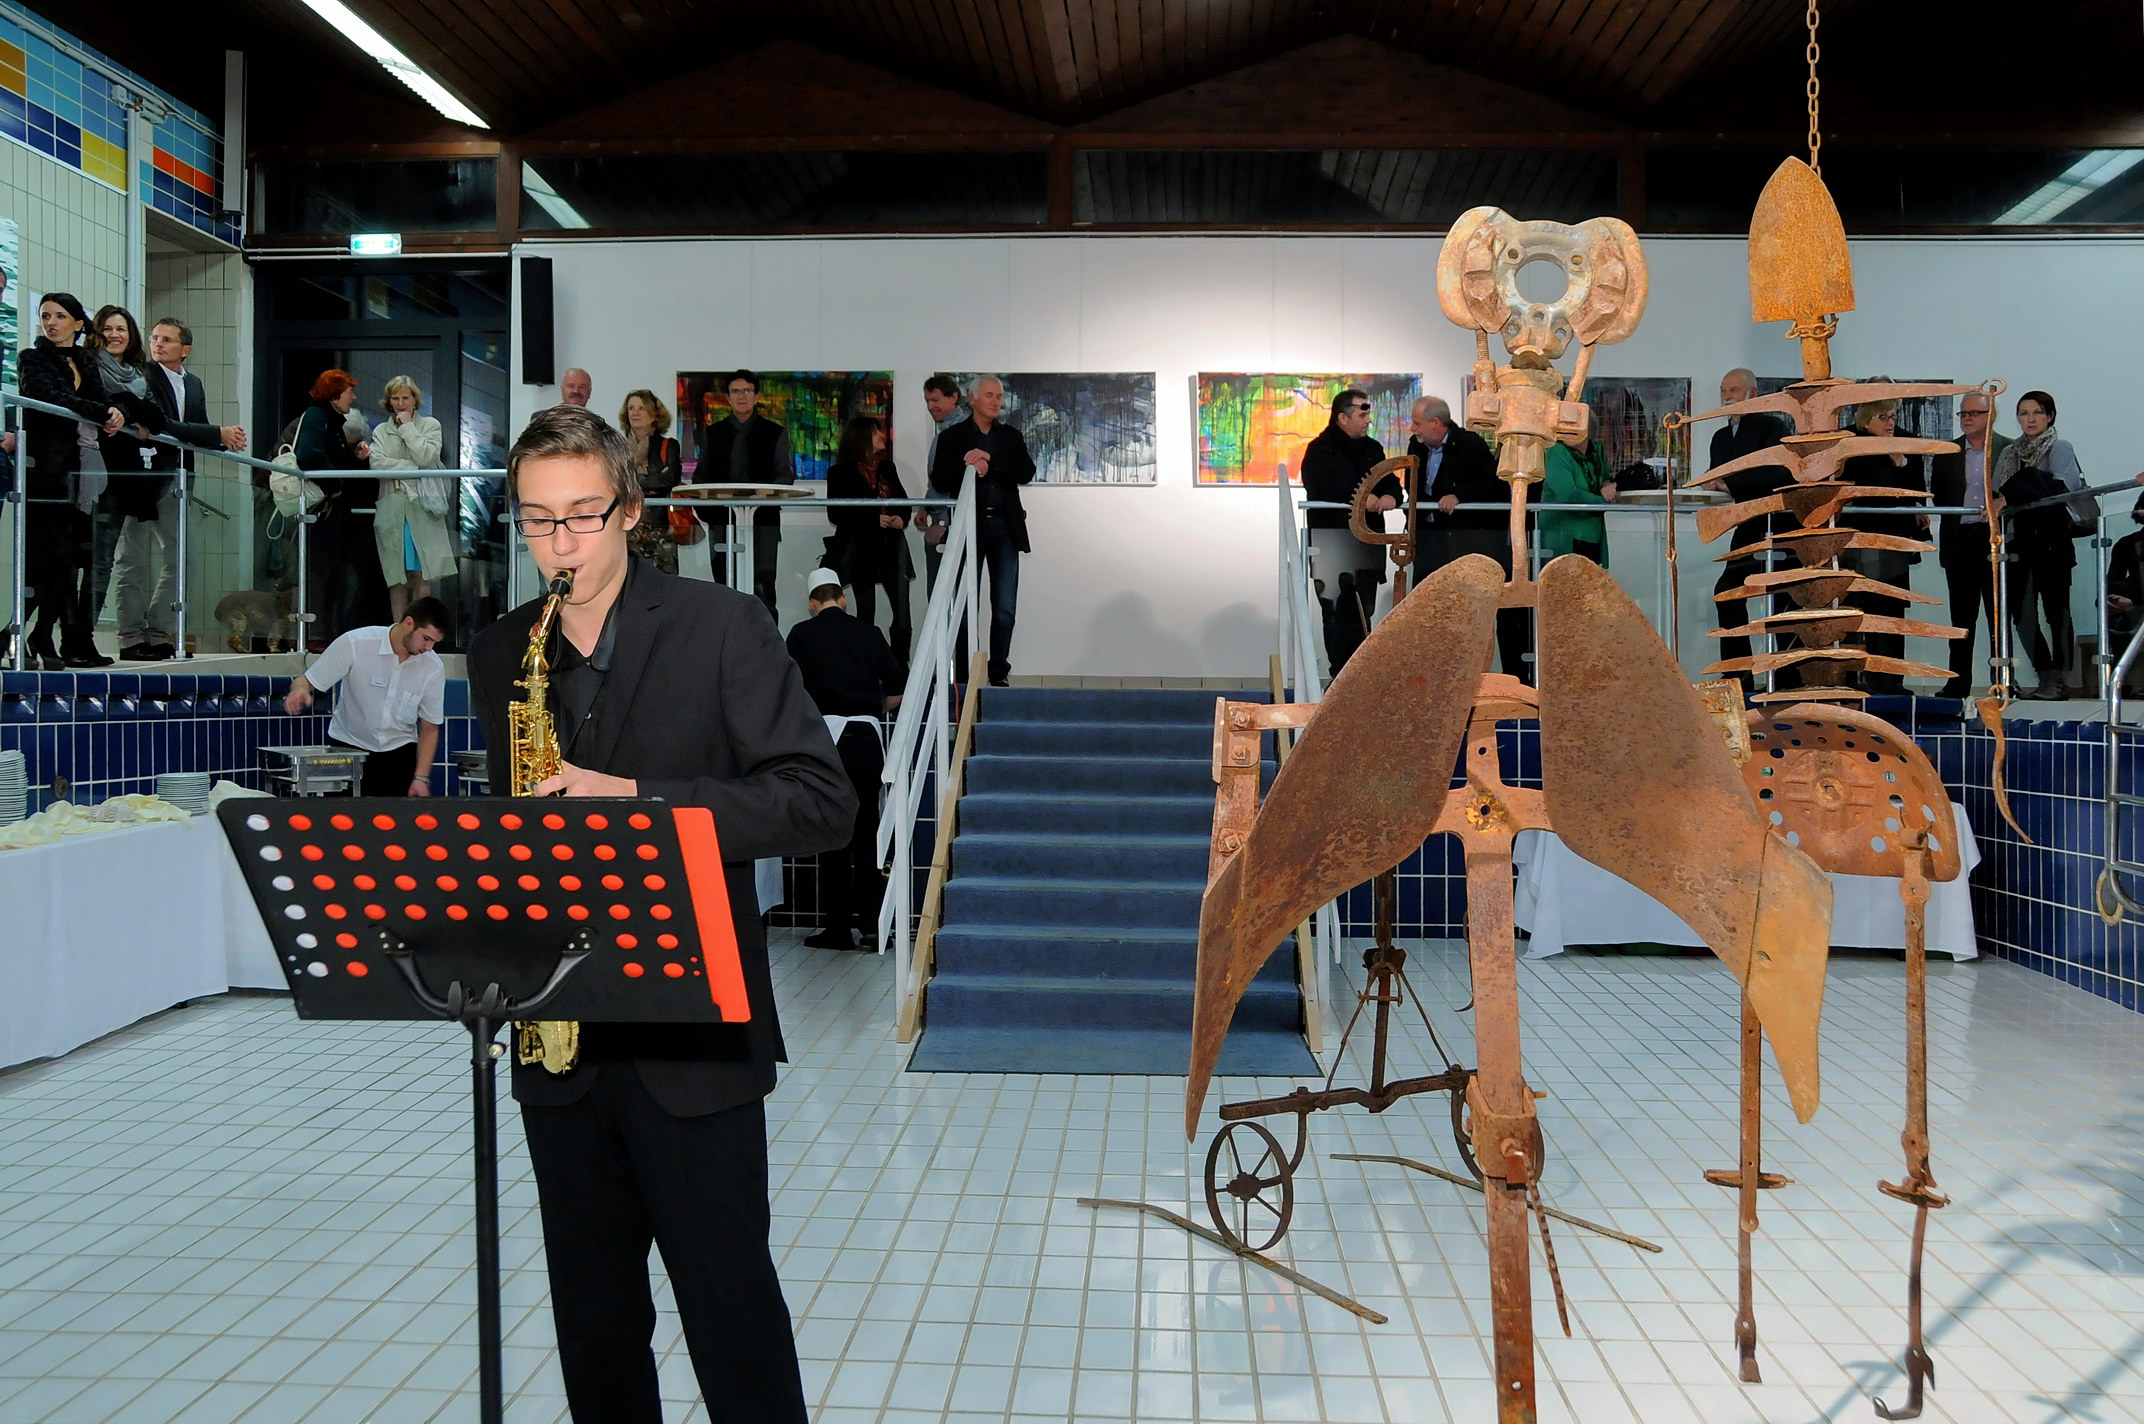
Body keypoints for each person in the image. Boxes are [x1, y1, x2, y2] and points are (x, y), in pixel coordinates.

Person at [466, 404, 850, 1424]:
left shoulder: (722, 625)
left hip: (694, 1037)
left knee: (731, 1316)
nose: (560, 543)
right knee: (592, 1326)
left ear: (631, 510)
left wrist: (637, 802)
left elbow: (821, 800)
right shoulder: (502, 650)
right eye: (537, 520)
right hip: (557, 1036)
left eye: (582, 515)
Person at [785, 568, 904, 952]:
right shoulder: (870, 633)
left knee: (832, 832)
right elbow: (897, 689)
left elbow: (790, 692)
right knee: (867, 833)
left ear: (812, 603)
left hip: (827, 743)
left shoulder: (801, 635)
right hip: (866, 740)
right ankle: (872, 927)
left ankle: (837, 929)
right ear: (843, 598)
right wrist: (872, 708)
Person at [16, 293, 126, 669]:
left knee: (67, 561)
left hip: (79, 472)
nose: (51, 323)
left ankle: (41, 634)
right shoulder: (32, 358)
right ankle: (21, 633)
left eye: (60, 316)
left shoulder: (84, 360)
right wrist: (103, 412)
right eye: (45, 316)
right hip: (45, 472)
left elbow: (101, 399)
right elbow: (48, 397)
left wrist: (116, 412)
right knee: (45, 560)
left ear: (78, 324)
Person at [129, 319, 245, 662]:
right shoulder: (142, 375)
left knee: (182, 560)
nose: (158, 344)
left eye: (167, 339)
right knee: (132, 559)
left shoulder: (192, 383)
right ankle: (131, 635)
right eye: (154, 338)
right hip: (143, 477)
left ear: (186, 350)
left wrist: (225, 440)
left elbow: (196, 427)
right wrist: (216, 433)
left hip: (179, 479)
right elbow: (162, 425)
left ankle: (159, 630)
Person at [281, 596, 450, 797]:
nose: (429, 648)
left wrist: (421, 778)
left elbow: (430, 727)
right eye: (426, 638)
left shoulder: (432, 667)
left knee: (392, 817)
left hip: (399, 755)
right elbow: (305, 681)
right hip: (348, 750)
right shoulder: (356, 643)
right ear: (408, 623)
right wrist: (299, 691)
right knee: (342, 815)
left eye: (434, 642)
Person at [1412, 395, 1529, 679]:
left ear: (1436, 423)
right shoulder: (1417, 446)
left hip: (1466, 542)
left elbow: (1490, 484)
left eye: (1417, 423)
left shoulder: (1470, 445)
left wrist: (1459, 496)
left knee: (1472, 612)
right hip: (1431, 543)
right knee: (1428, 609)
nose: (1413, 429)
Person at [929, 375, 1036, 687]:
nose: (996, 402)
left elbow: (1026, 472)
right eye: (989, 395)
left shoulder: (1010, 436)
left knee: (1004, 607)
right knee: (965, 606)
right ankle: (965, 677)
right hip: (968, 528)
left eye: (999, 396)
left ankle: (998, 672)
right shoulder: (952, 437)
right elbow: (939, 480)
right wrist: (969, 467)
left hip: (1005, 528)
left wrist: (991, 459)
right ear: (972, 399)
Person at [82, 306, 166, 661]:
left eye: (121, 329)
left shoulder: (138, 375)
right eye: (108, 328)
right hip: (85, 475)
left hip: (118, 482)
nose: (114, 335)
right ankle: (45, 634)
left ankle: (82, 636)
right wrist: (131, 410)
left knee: (102, 564)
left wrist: (128, 411)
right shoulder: (87, 366)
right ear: (96, 332)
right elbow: (98, 405)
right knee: (74, 562)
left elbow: (157, 418)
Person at [1994, 389, 2086, 700]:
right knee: (2022, 616)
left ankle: (2059, 679)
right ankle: (2044, 674)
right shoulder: (2009, 453)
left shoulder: (2060, 447)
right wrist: (2019, 491)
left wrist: (2017, 491)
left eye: (2037, 412)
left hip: (2052, 542)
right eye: (2024, 413)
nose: (2030, 419)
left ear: (2050, 416)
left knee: (2057, 613)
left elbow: (2059, 488)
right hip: (2019, 543)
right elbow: (1998, 491)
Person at [1708, 369, 1793, 694]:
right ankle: (1737, 677)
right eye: (1723, 390)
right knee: (1727, 594)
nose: (1727, 396)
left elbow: (1775, 472)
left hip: (1779, 524)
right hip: (1747, 525)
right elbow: (1717, 477)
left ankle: (1787, 680)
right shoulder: (1720, 437)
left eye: (1733, 390)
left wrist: (1728, 483)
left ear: (1753, 393)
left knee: (1783, 601)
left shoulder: (1773, 426)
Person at [1837, 398, 1929, 695]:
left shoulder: (1901, 445)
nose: (1891, 423)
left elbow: (1911, 492)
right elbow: (1868, 489)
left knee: (1891, 610)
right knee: (1858, 610)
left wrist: (1900, 462)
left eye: (1893, 417)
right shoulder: (1851, 446)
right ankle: (1856, 679)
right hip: (1859, 541)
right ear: (1866, 421)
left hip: (1892, 542)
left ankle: (1891, 681)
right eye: (1883, 417)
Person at [1929, 390, 2011, 698]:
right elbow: (1939, 494)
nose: (1966, 418)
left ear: (1992, 416)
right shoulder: (1947, 452)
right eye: (1963, 413)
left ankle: (2002, 680)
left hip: (1996, 540)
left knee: (1998, 617)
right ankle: (1958, 682)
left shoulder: (2008, 449)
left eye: (1974, 413)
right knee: (1961, 619)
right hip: (1960, 540)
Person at [700, 370, 795, 614]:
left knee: (764, 585)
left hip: (763, 521)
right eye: (735, 391)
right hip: (722, 522)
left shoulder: (775, 433)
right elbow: (701, 478)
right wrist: (709, 512)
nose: (741, 396)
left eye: (747, 391)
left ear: (756, 396)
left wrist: (764, 494)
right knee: (724, 587)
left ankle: (766, 639)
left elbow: (784, 476)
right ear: (727, 398)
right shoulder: (713, 433)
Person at [294, 370, 377, 643]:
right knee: (323, 574)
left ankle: (325, 632)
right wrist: (335, 484)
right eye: (348, 392)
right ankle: (317, 633)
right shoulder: (317, 417)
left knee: (332, 574)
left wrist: (355, 459)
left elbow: (334, 459)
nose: (353, 397)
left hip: (331, 512)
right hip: (322, 512)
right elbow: (308, 455)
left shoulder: (330, 420)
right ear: (334, 395)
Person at [825, 415, 914, 663]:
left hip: (891, 546)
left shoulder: (887, 468)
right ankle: (867, 666)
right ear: (862, 437)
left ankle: (900, 667)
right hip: (861, 550)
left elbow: (903, 503)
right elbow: (836, 514)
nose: (881, 436)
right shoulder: (839, 472)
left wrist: (900, 518)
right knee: (866, 612)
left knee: (902, 615)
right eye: (875, 432)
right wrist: (873, 519)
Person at [369, 376, 455, 629]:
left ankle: (422, 630)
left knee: (422, 573)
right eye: (395, 398)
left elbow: (426, 456)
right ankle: (398, 630)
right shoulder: (381, 430)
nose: (400, 403)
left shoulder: (430, 425)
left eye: (405, 398)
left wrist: (408, 428)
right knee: (395, 576)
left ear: (415, 400)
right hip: (392, 506)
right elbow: (377, 465)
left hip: (422, 507)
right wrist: (413, 468)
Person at [620, 389, 686, 575]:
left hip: (661, 525)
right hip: (627, 525)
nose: (635, 413)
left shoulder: (668, 445)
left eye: (641, 408)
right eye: (631, 408)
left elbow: (670, 479)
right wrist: (653, 479)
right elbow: (616, 480)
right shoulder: (618, 447)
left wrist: (635, 480)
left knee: (664, 580)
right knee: (628, 578)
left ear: (654, 414)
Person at [919, 374, 964, 585]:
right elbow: (938, 478)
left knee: (945, 594)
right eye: (928, 401)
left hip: (950, 527)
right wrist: (925, 507)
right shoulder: (945, 432)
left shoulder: (960, 433)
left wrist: (944, 522)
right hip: (945, 522)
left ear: (953, 397)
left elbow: (960, 483)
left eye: (935, 400)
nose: (930, 406)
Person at [1540, 436, 1615, 563]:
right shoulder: (1555, 450)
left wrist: (1607, 486)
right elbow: (1568, 495)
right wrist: (1604, 502)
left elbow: (1606, 477)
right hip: (1562, 534)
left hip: (1593, 534)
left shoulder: (1597, 449)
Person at [2106, 490, 2144, 695]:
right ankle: (2122, 683)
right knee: (2115, 610)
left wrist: (2134, 602)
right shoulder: (2127, 544)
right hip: (2133, 606)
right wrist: (2114, 600)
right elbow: (2111, 582)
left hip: (2137, 604)